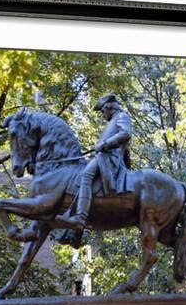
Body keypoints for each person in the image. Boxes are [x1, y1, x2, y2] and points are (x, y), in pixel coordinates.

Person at [56, 94, 133, 229]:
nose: (102, 114)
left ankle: (80, 218)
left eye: (103, 111)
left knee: (85, 176)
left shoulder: (121, 117)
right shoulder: (112, 122)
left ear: (110, 108)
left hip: (110, 159)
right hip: (103, 158)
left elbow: (126, 133)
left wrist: (105, 143)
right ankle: (74, 229)